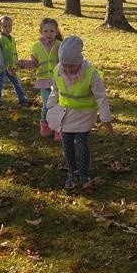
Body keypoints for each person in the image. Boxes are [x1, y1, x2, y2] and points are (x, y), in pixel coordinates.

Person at [45, 36, 113, 190]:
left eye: (72, 66)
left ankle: (83, 173)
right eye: (65, 65)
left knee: (82, 144)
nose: (68, 69)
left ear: (79, 62)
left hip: (84, 114)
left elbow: (101, 97)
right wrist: (49, 108)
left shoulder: (90, 73)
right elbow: (55, 90)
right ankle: (72, 172)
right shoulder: (58, 70)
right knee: (67, 143)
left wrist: (105, 118)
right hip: (65, 114)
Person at [19, 18, 64, 137]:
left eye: (52, 31)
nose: (49, 34)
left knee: (59, 104)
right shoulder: (36, 47)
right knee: (47, 104)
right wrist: (22, 63)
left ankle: (58, 128)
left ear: (56, 31)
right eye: (46, 31)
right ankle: (44, 123)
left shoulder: (60, 45)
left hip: (58, 81)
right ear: (41, 32)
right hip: (43, 81)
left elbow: (64, 62)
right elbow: (34, 63)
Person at [0, 15, 29, 107]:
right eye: (5, 26)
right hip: (1, 67)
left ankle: (22, 99)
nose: (7, 28)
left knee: (16, 82)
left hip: (11, 66)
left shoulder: (12, 38)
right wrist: (3, 67)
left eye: (9, 26)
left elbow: (14, 52)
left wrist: (16, 64)